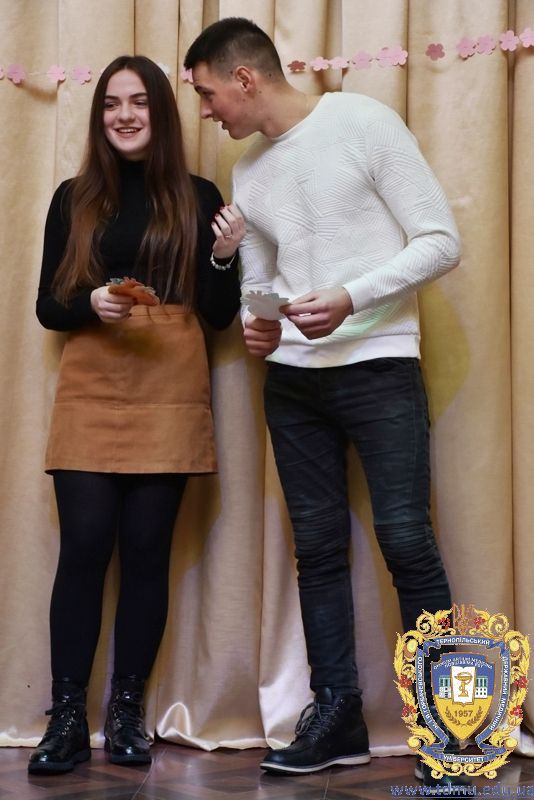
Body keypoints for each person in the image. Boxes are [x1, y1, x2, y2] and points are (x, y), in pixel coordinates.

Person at [185, 18, 461, 778]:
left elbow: (440, 240)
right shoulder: (249, 170)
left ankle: (451, 732)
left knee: (407, 541)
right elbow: (262, 280)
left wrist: (349, 298)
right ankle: (336, 716)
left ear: (244, 78)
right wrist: (259, 323)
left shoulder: (363, 121)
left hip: (379, 366)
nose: (205, 111)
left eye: (207, 93)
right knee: (316, 551)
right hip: (293, 384)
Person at [29, 54, 243, 775]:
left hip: (170, 382)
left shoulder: (198, 194)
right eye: (112, 104)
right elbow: (47, 308)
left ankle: (126, 713)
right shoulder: (73, 197)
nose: (124, 115)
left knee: (148, 551)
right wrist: (90, 300)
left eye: (140, 102)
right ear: (101, 117)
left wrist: (223, 255)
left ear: (161, 114)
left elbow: (218, 316)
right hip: (93, 379)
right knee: (85, 547)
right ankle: (65, 718)